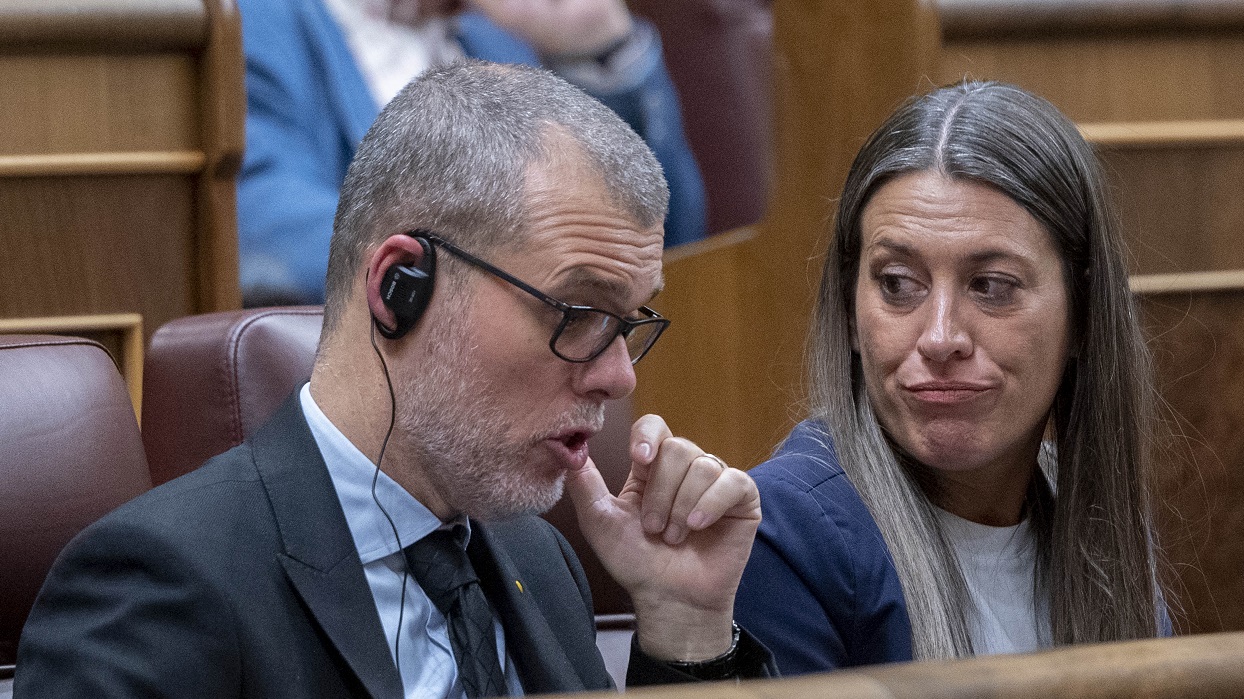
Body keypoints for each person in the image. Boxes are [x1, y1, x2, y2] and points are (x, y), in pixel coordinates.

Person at [16, 62, 773, 696]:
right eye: (578, 311)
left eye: (629, 324)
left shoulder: (541, 565)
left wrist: (684, 626)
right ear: (399, 286)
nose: (615, 374)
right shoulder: (164, 586)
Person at [735, 81, 1172, 674]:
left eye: (992, 286)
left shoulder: (1095, 519)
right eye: (897, 284)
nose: (940, 337)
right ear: (850, 313)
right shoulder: (782, 537)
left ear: (1085, 317)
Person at [238, 0, 707, 306]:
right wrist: (502, 270)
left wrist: (600, 49)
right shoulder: (251, 21)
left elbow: (670, 242)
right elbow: (261, 224)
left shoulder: (498, 37)